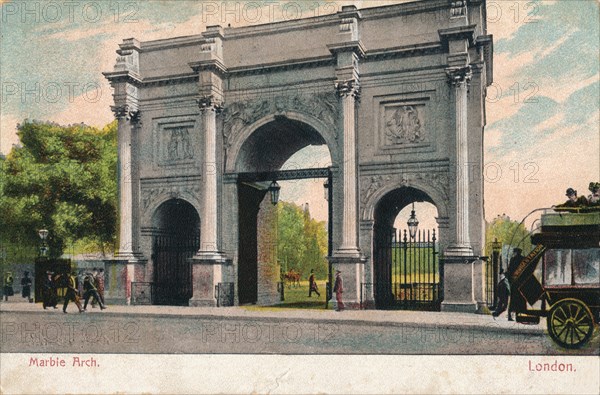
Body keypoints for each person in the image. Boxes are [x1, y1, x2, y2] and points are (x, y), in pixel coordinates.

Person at [507, 248, 525, 321]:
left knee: (513, 299)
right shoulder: (523, 259)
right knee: (520, 298)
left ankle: (510, 315)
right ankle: (519, 314)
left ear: (516, 252)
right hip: (521, 282)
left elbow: (509, 270)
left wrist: (510, 280)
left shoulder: (513, 260)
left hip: (514, 282)